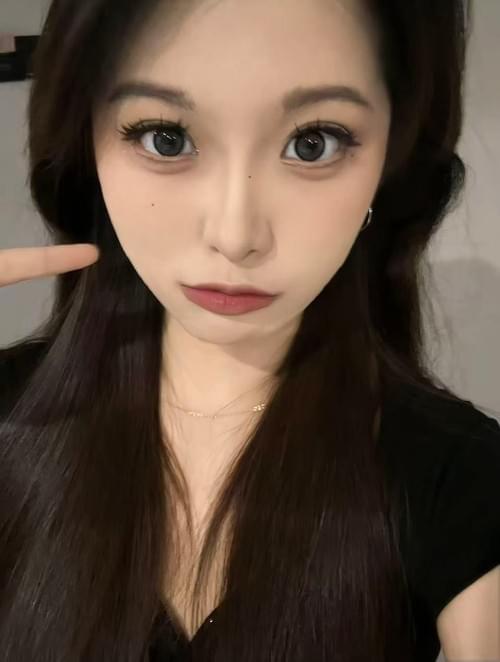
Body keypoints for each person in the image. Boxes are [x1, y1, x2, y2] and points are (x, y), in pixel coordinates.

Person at [0, 0, 499, 660]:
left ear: (390, 161)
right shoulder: (12, 415)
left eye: (314, 143)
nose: (235, 235)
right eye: (165, 138)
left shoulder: (457, 477)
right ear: (87, 145)